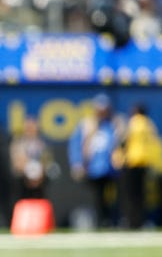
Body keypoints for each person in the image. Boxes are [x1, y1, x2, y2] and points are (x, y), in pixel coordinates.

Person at [68, 93, 126, 228]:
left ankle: (116, 221)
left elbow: (122, 141)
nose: (102, 112)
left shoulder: (115, 123)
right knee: (98, 197)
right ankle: (101, 222)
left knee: (117, 197)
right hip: (94, 167)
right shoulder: (87, 124)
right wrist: (77, 163)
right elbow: (76, 144)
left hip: (113, 168)